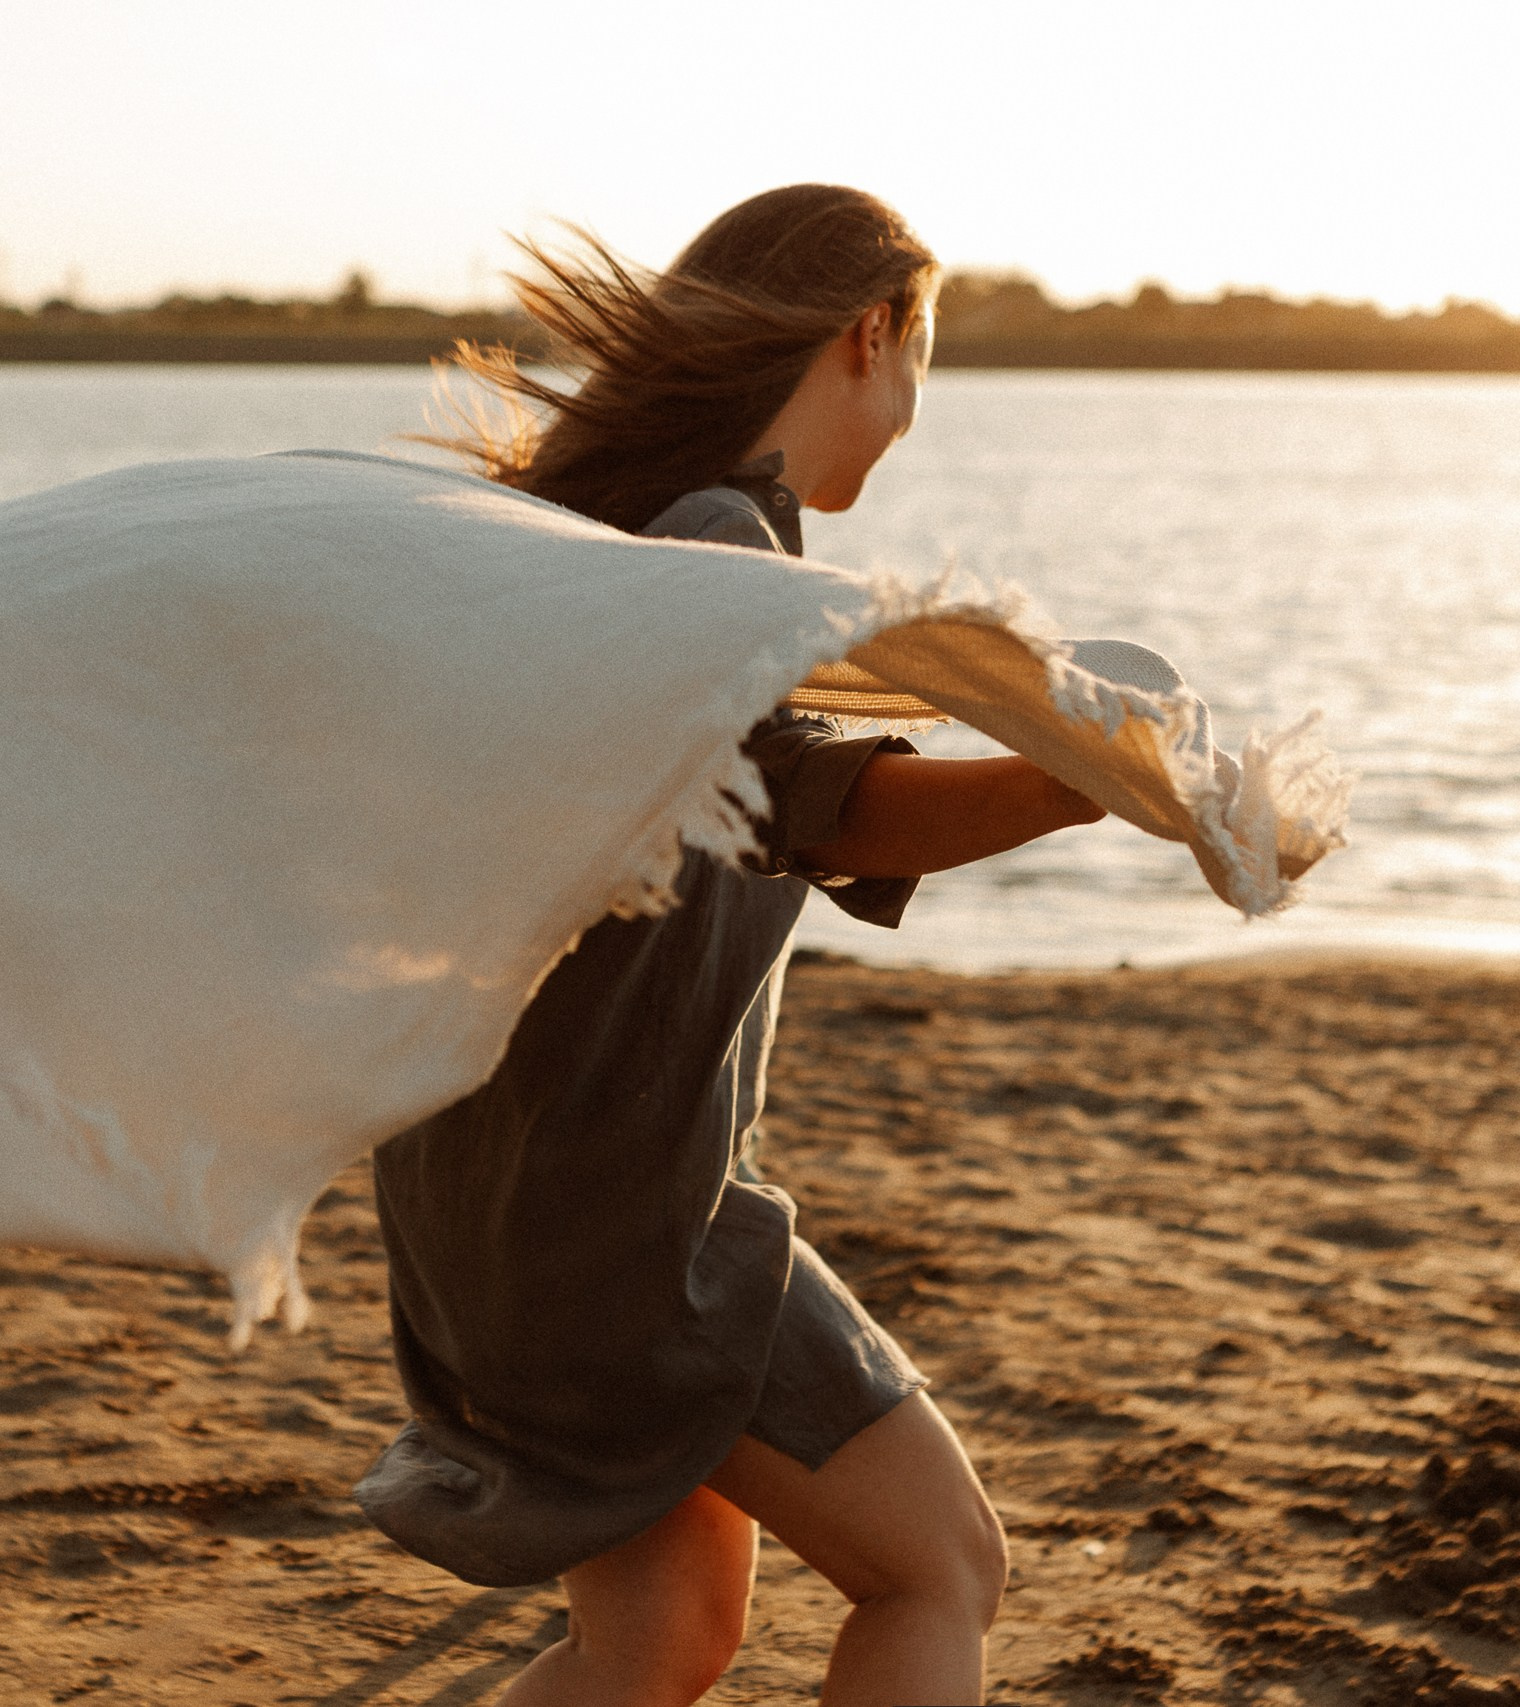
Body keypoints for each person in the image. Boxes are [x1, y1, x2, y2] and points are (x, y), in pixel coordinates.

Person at [358, 185, 1106, 1707]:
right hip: (632, 1227)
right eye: (921, 362)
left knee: (660, 1635)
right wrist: (1080, 779)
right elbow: (816, 810)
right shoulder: (710, 539)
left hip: (491, 1208)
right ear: (871, 333)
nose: (909, 413)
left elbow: (761, 789)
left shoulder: (597, 532)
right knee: (941, 1569)